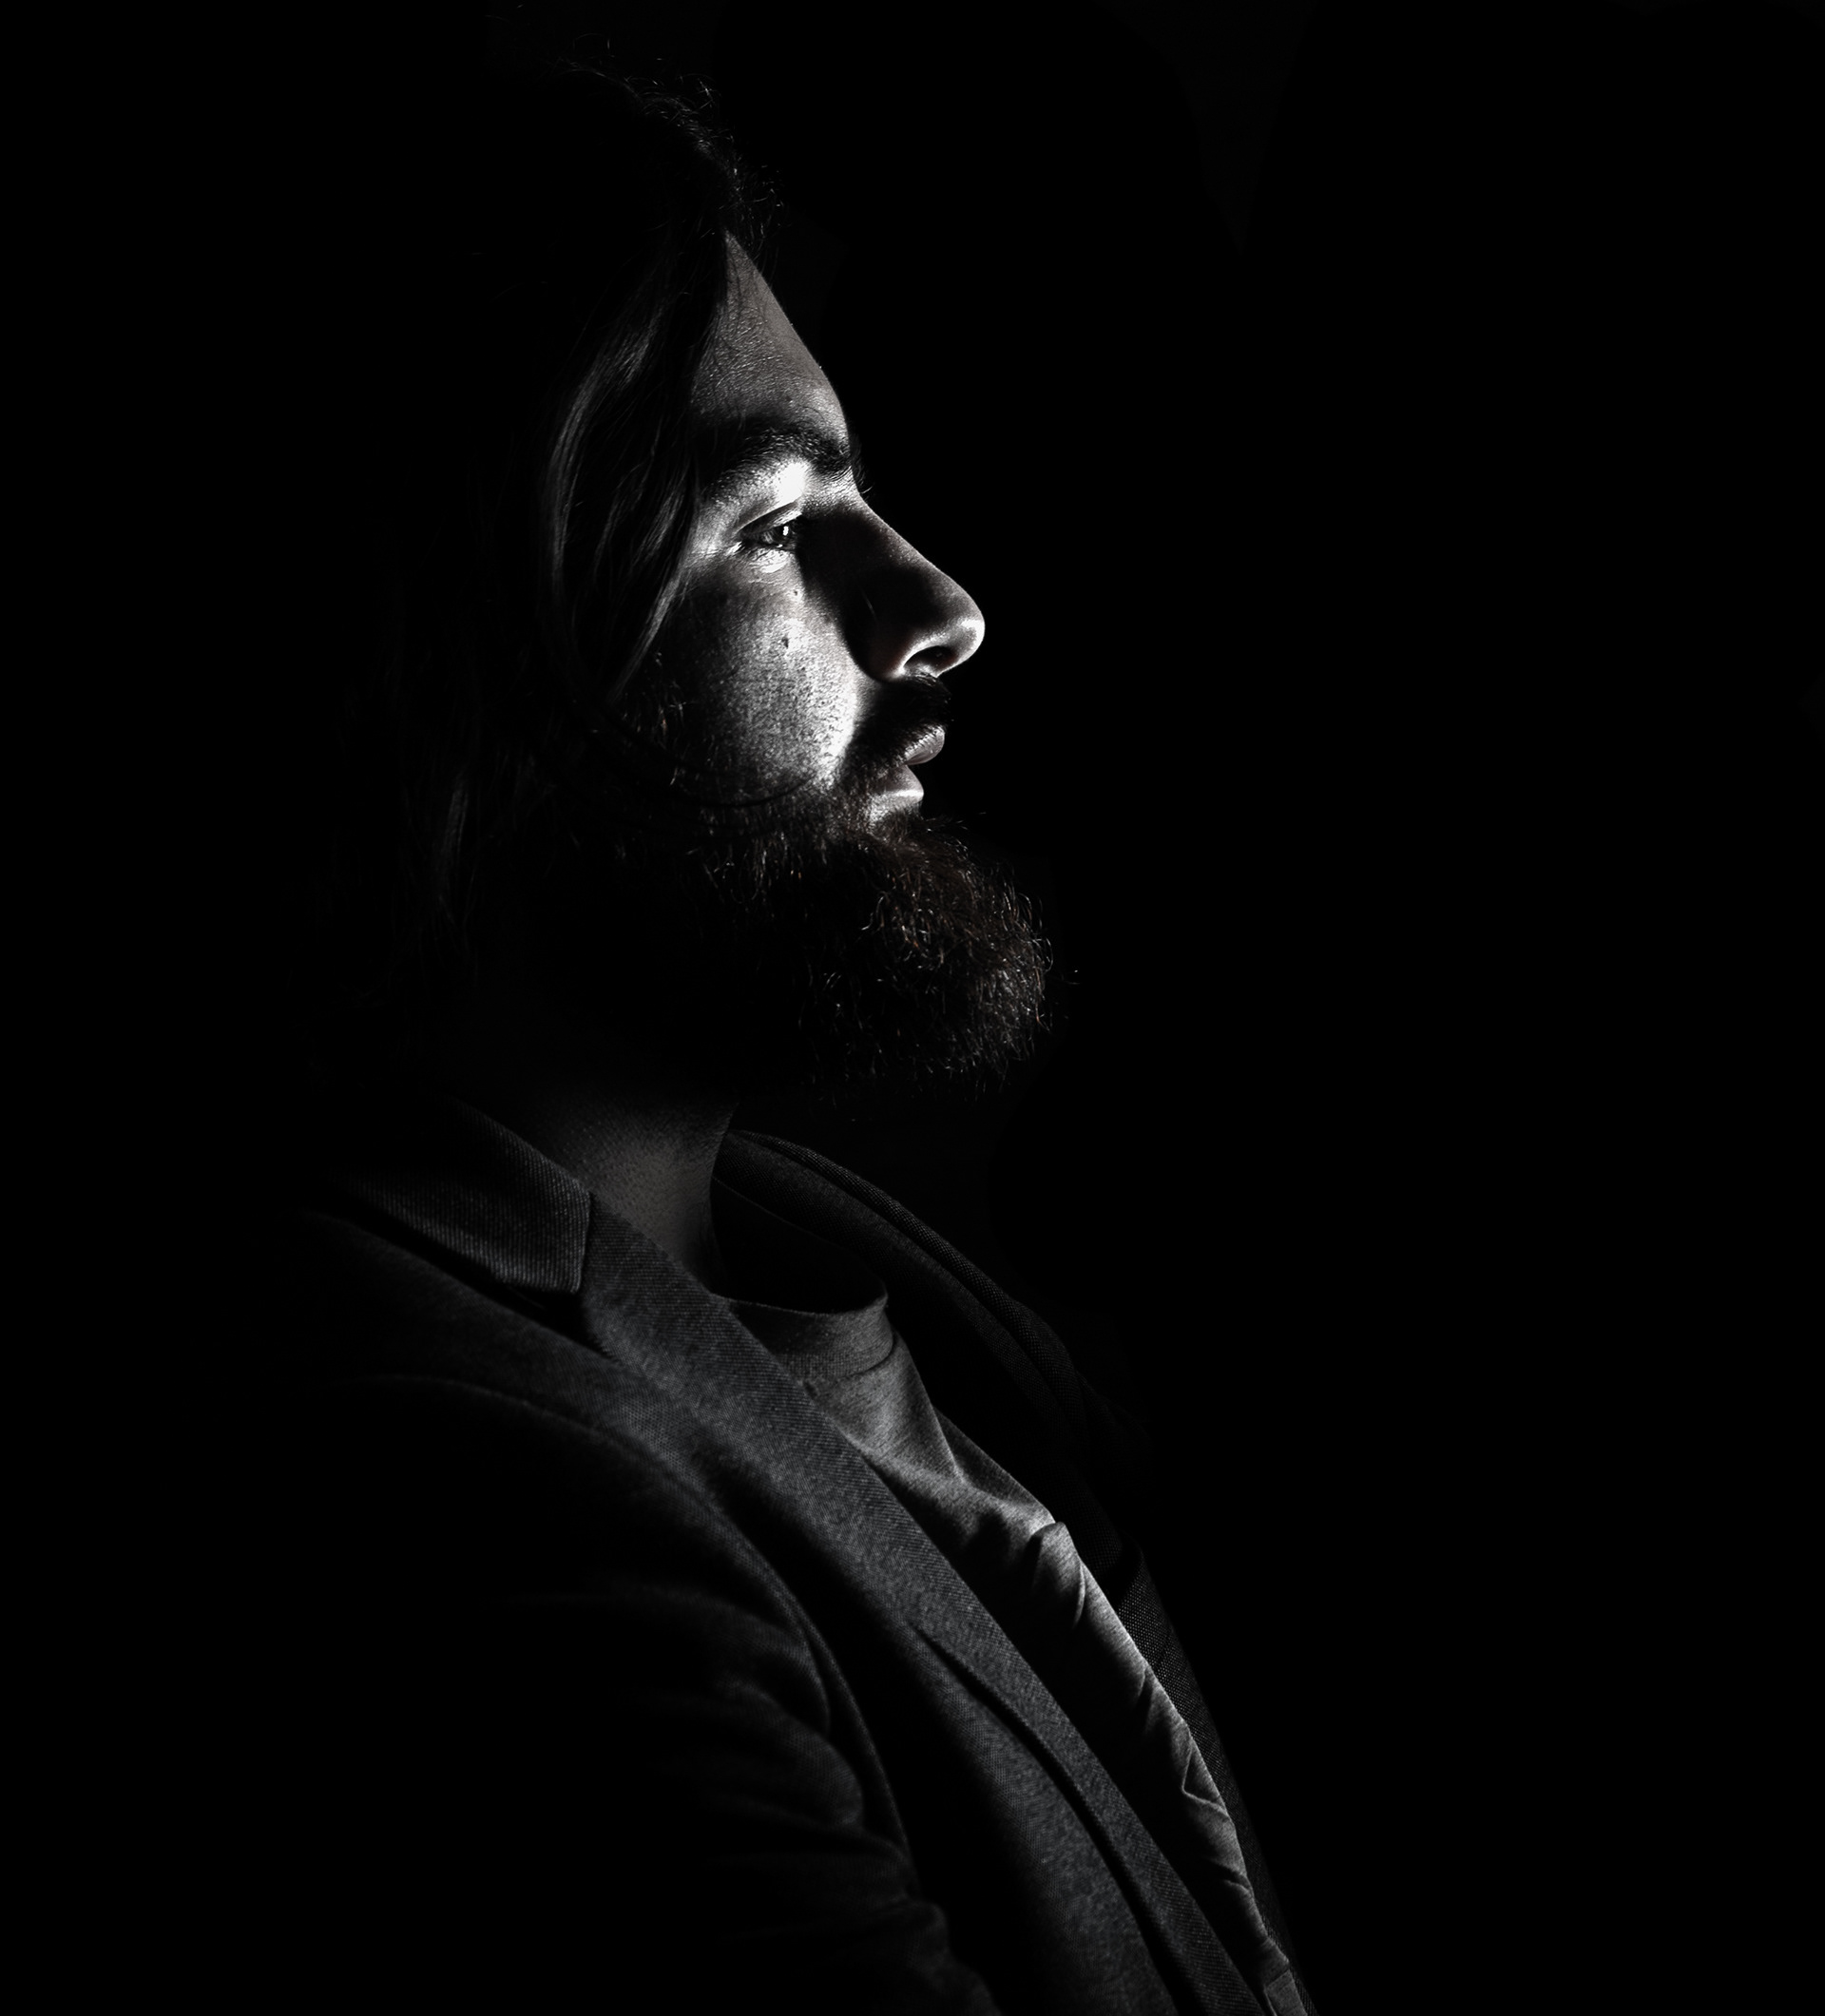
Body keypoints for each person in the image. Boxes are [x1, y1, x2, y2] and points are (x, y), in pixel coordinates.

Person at [250, 56, 1316, 2015]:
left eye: (862, 492)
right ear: (436, 678)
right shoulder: (456, 1489)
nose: (939, 605)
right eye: (767, 521)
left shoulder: (885, 1288)